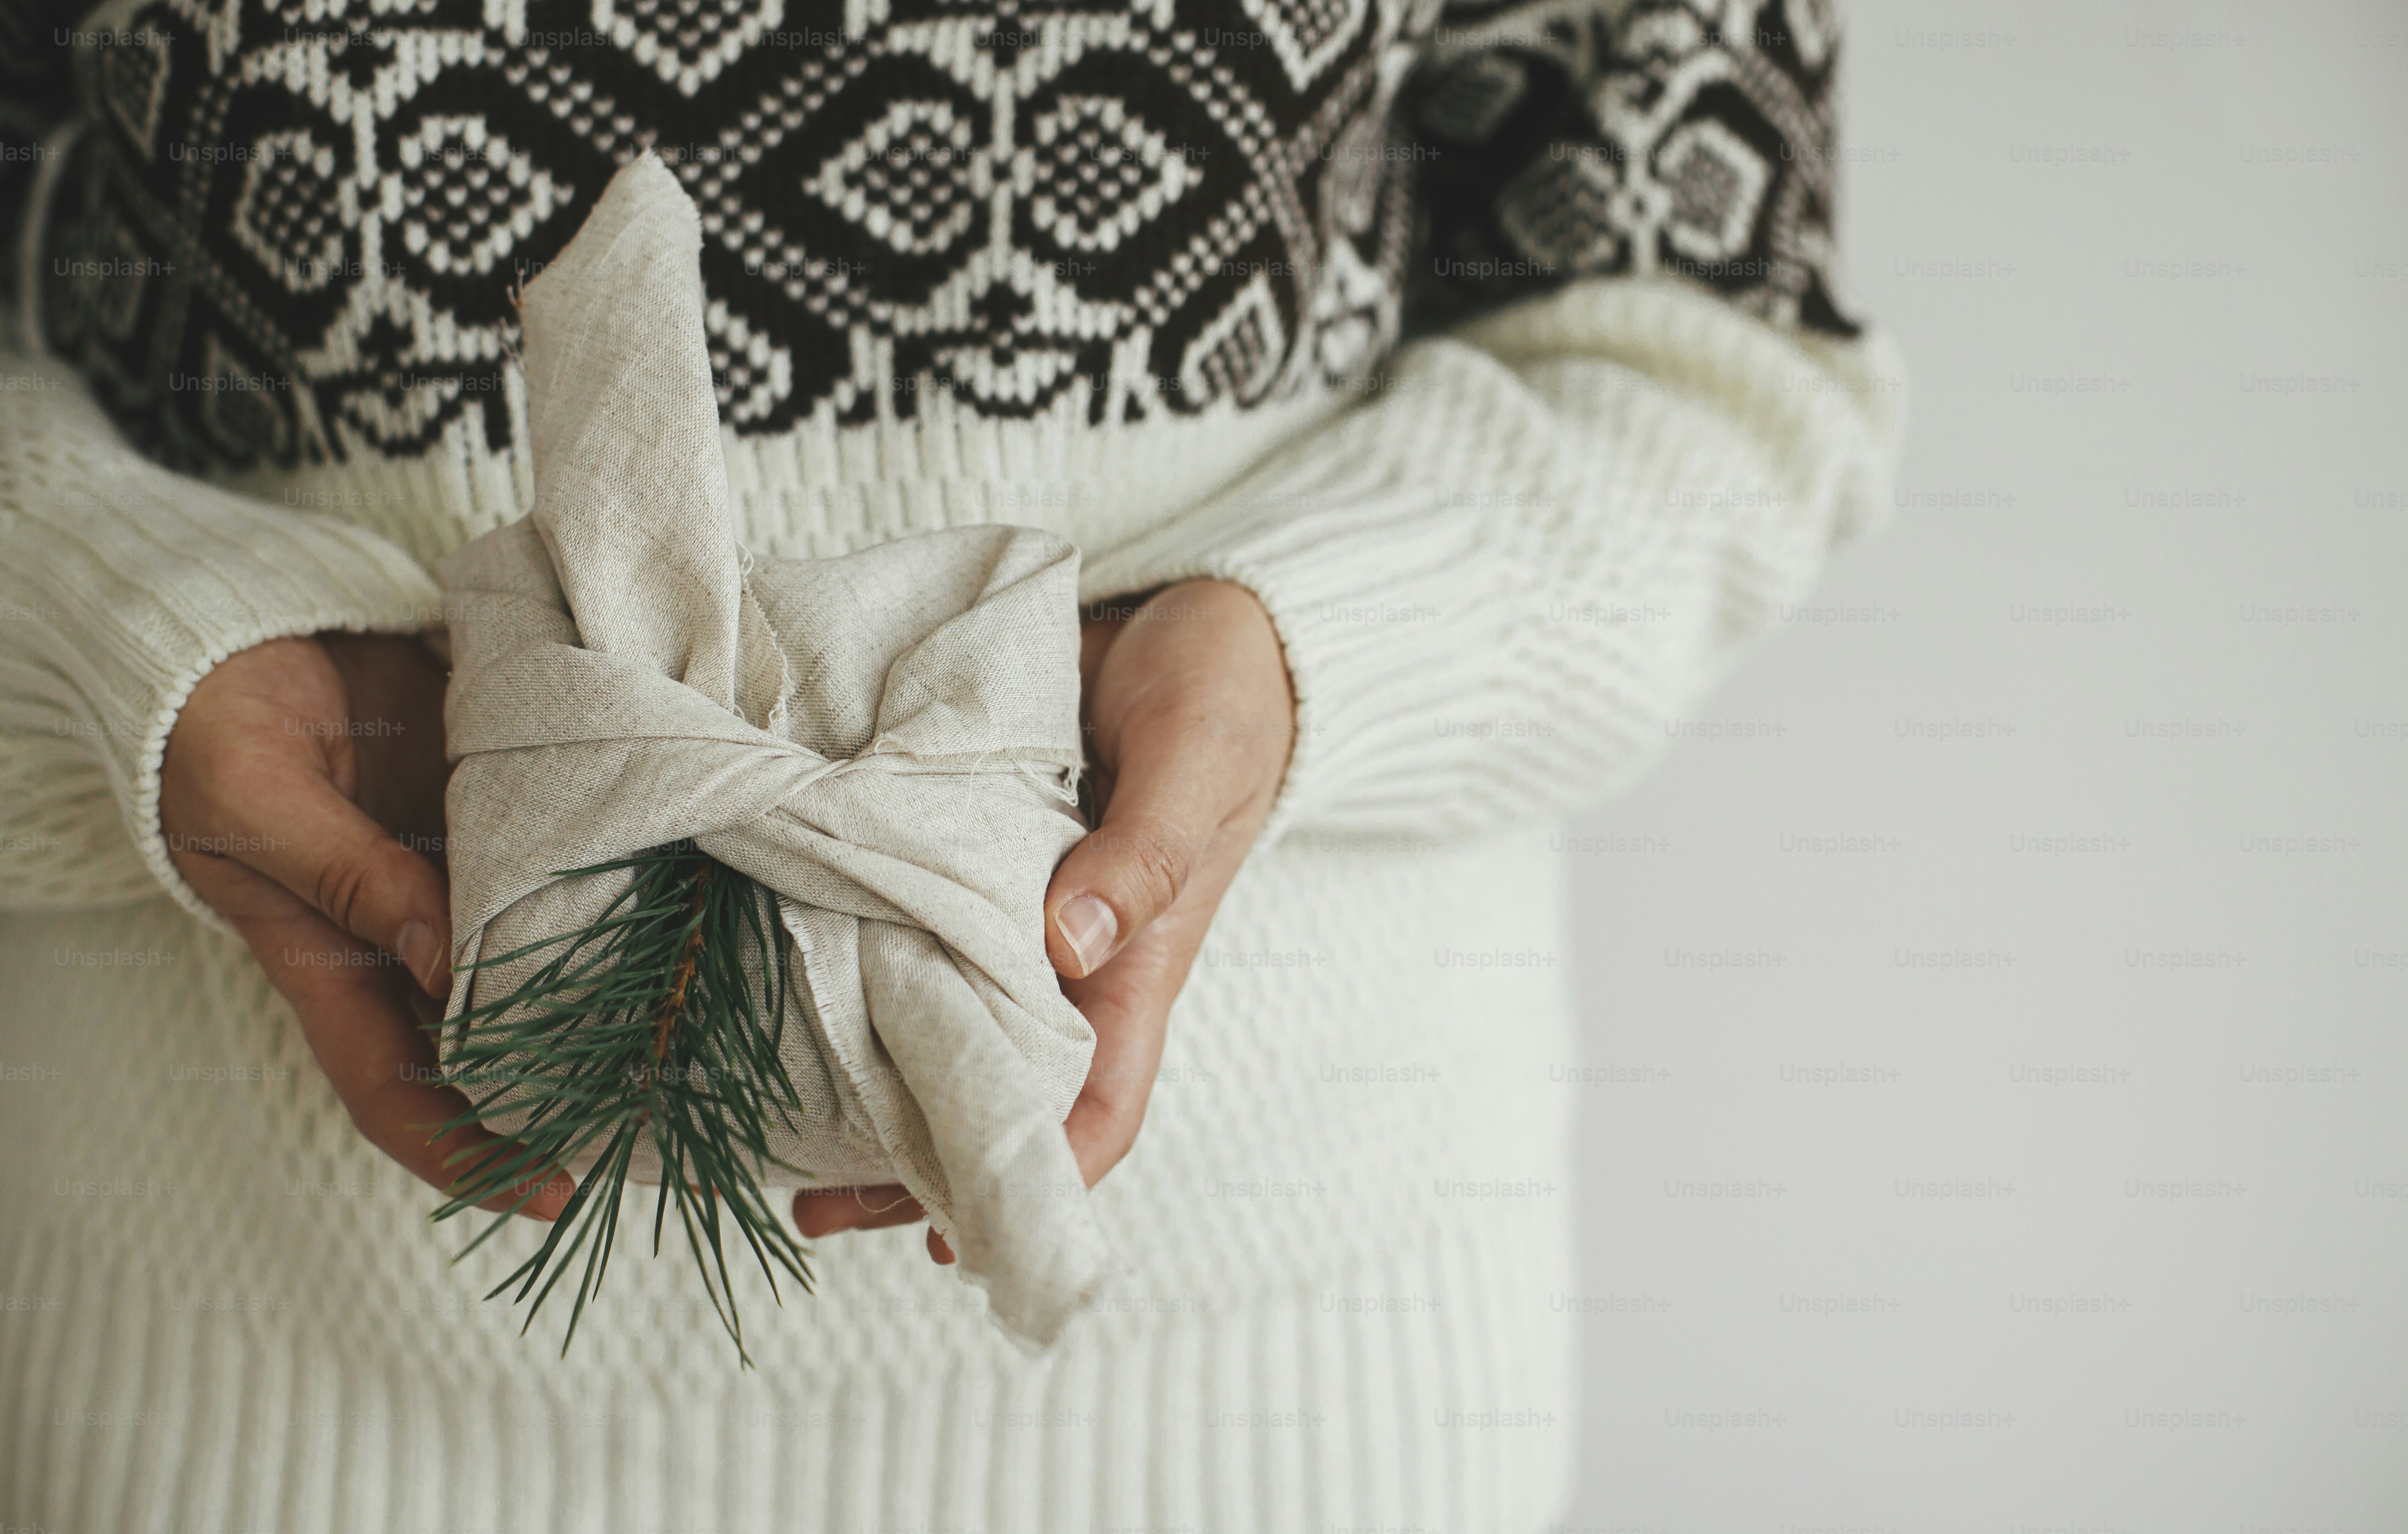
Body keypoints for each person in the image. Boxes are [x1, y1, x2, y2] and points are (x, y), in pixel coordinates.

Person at [0, 0, 1901, 1526]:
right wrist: (118, 646)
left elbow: (1702, 360)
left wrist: (1302, 645)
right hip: (252, 1392)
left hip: (1269, 1399)